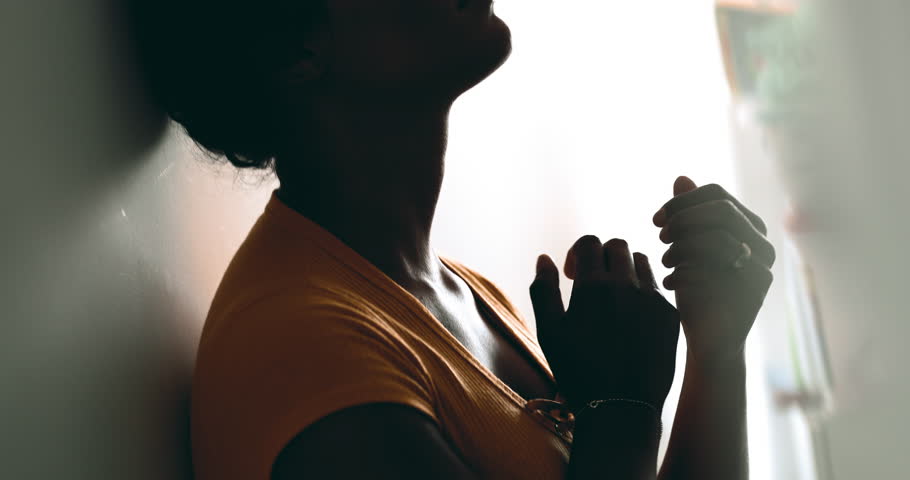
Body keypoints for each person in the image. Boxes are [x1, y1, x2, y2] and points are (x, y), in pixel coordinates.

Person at [127, 1, 776, 478]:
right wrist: (622, 414)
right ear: (295, 49)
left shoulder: (461, 295)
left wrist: (718, 352)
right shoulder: (300, 349)